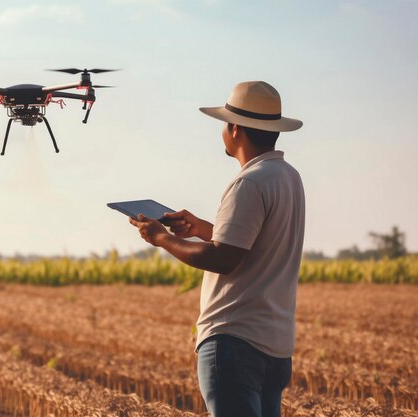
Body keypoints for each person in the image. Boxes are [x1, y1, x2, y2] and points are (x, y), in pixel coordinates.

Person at [129, 81, 305, 417]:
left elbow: (223, 258)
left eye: (225, 124)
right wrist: (201, 229)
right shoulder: (287, 177)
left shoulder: (248, 182)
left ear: (236, 130)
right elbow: (255, 244)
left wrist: (161, 238)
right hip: (277, 347)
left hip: (235, 342)